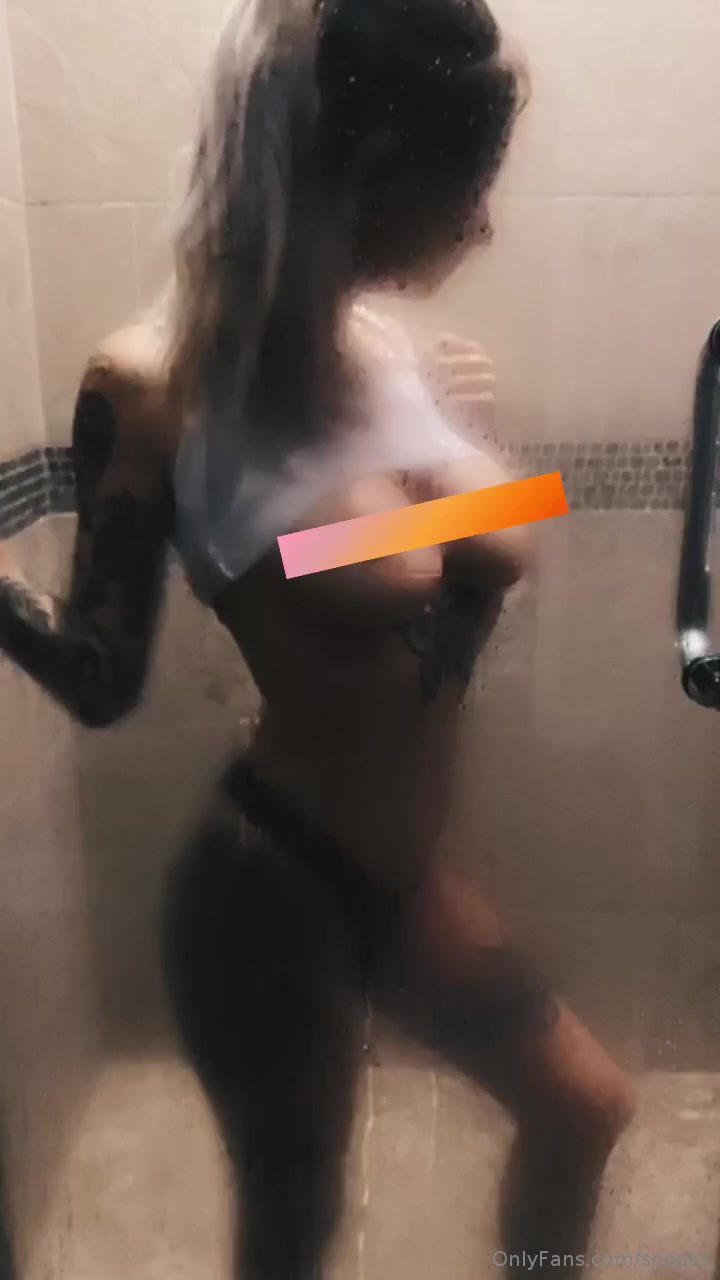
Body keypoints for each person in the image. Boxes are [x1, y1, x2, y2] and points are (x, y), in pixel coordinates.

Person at [0, 0, 635, 1276]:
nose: (483, 223)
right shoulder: (155, 383)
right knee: (293, 1232)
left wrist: (444, 466)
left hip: (398, 877)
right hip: (271, 884)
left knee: (584, 1107)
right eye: (466, 185)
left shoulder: (380, 350)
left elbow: (508, 518)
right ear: (365, 174)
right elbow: (105, 675)